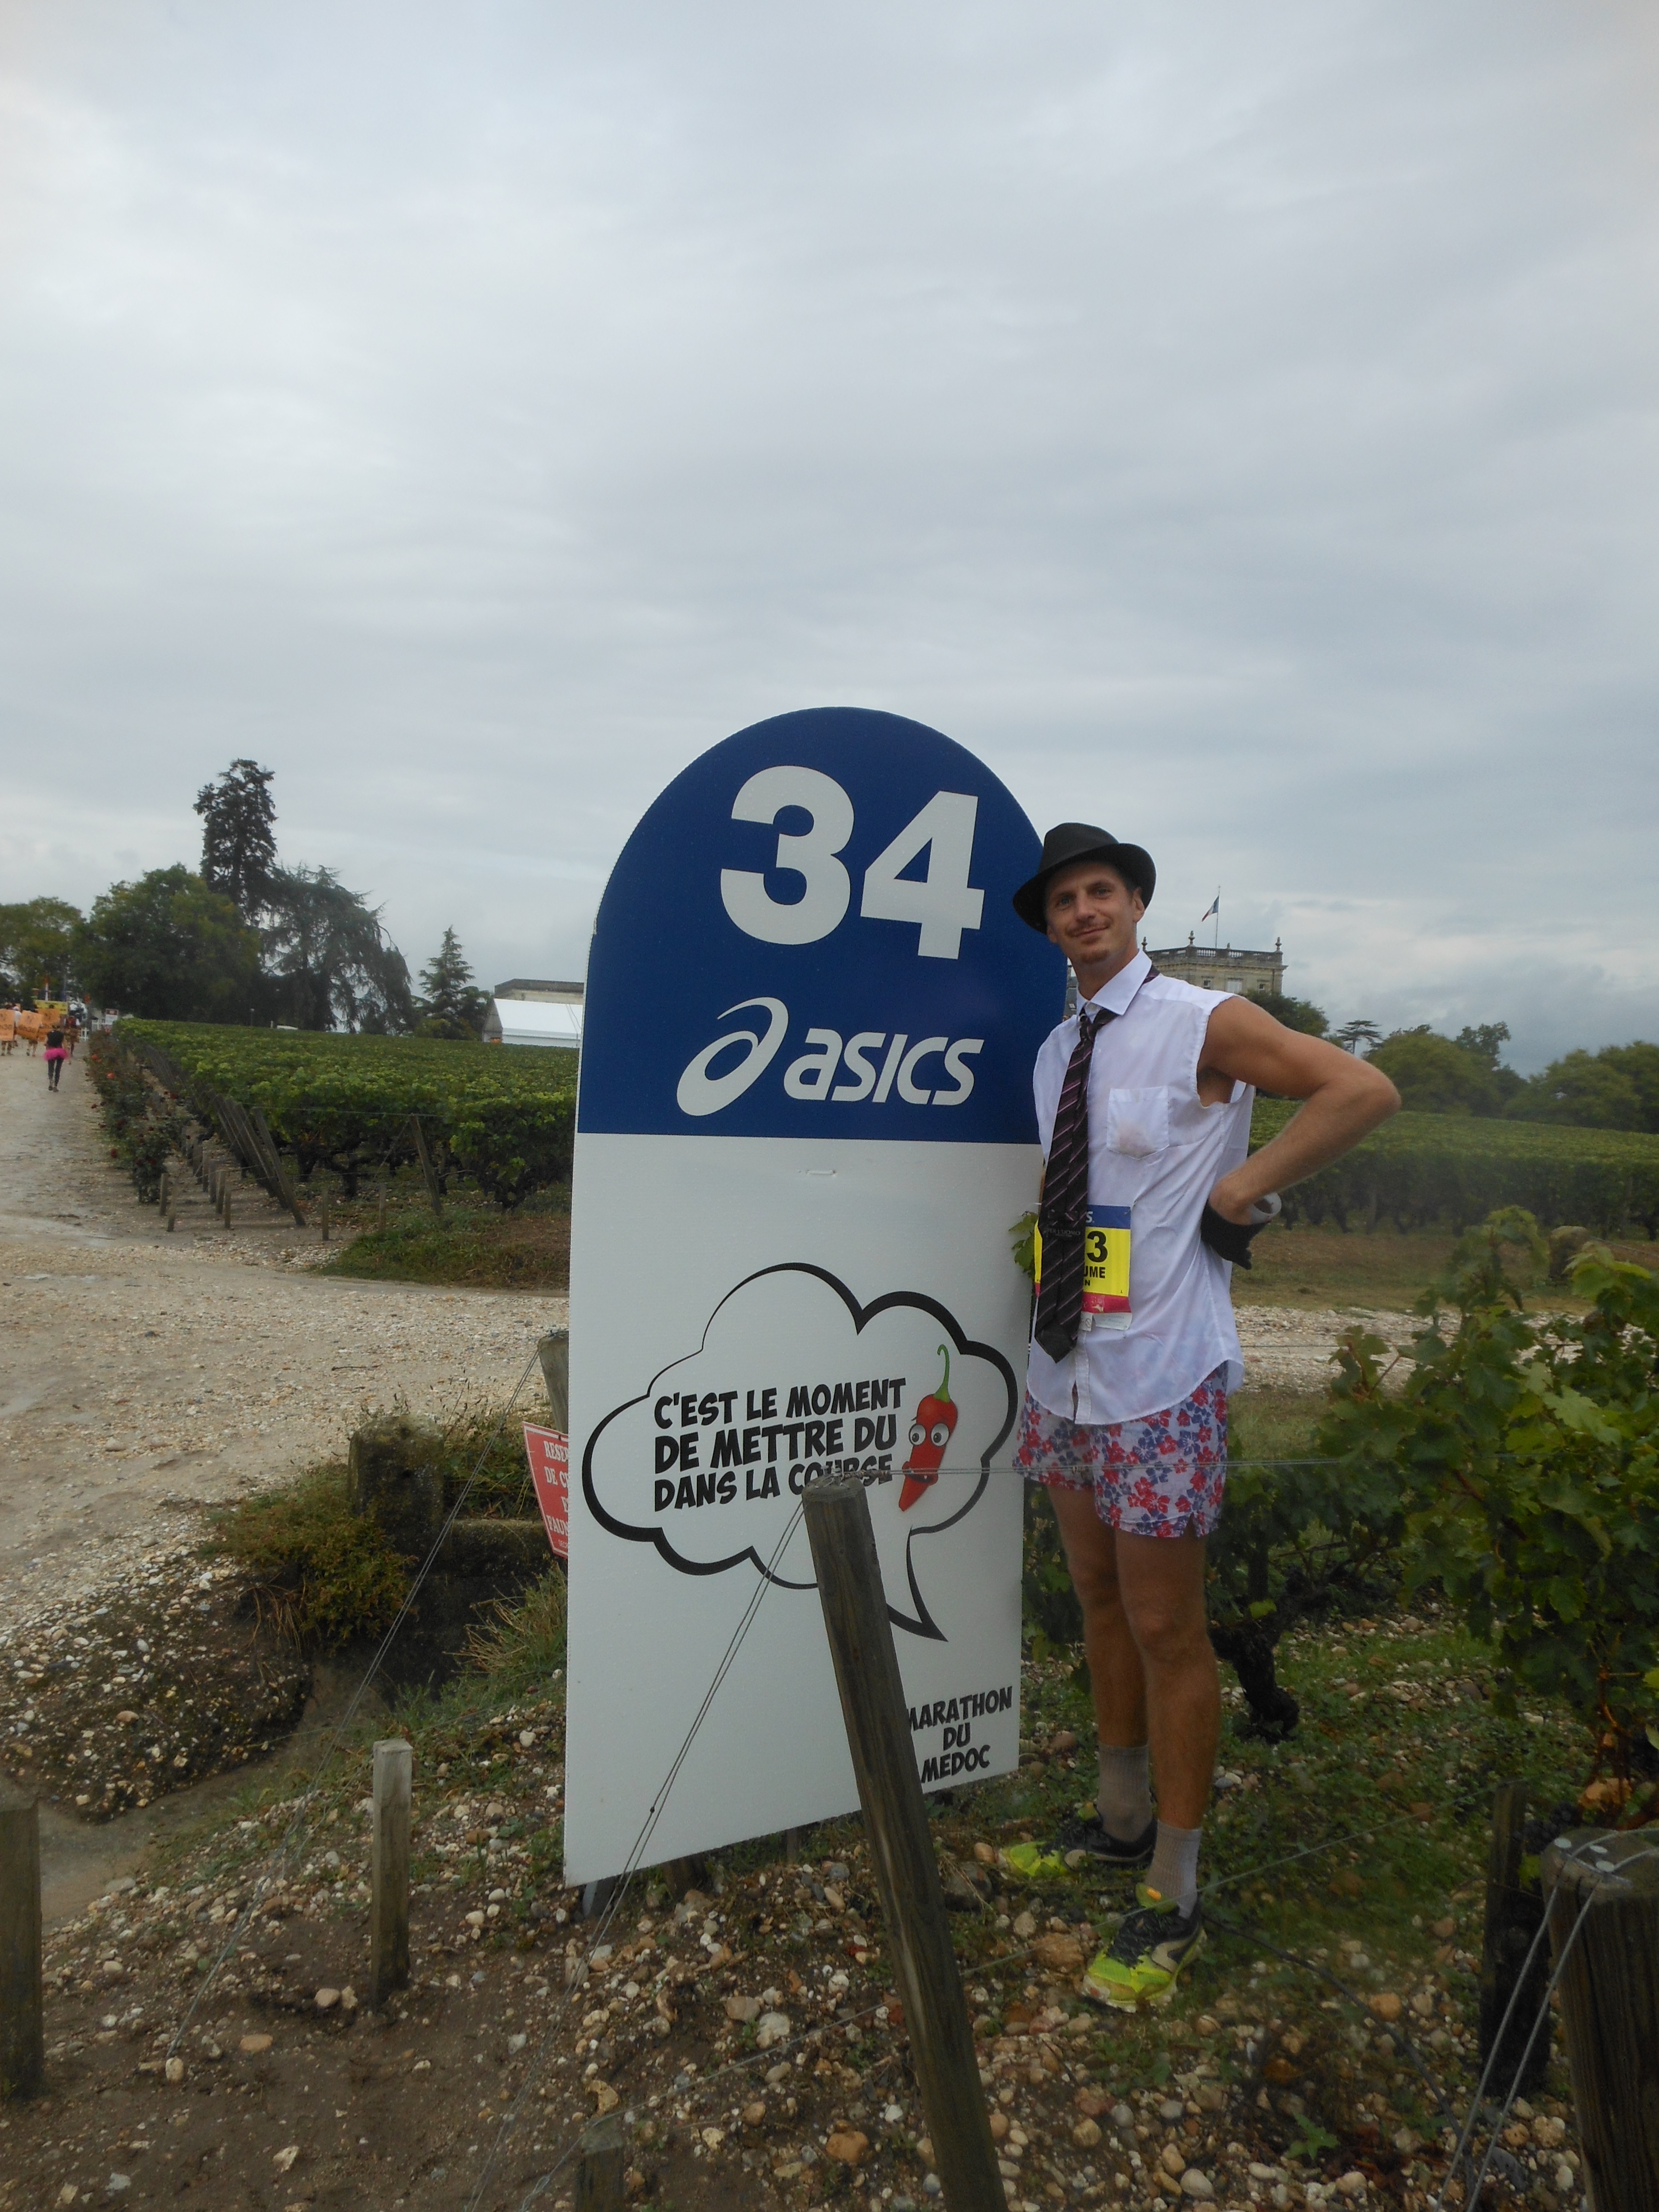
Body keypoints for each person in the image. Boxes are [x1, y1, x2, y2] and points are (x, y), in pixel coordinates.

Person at [1009, 823, 1398, 2010]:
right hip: (1064, 1365)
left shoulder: (1201, 1021)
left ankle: (1173, 1890)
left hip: (1163, 1374)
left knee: (1166, 1624)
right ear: (1050, 926)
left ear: (1135, 904)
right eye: (1064, 901)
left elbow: (1361, 1089)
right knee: (1094, 1596)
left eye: (1101, 891)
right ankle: (1119, 1817)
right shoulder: (1054, 1049)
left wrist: (1242, 1185)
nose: (1083, 912)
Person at [44, 1026, 67, 1091]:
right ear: (59, 1028)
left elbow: (45, 1043)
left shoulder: (49, 1034)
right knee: (58, 1069)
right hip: (60, 1052)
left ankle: (51, 1080)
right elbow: (65, 1045)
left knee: (51, 1067)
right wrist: (68, 1054)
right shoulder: (61, 1034)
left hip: (51, 1051)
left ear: (53, 1027)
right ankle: (56, 1086)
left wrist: (48, 1047)